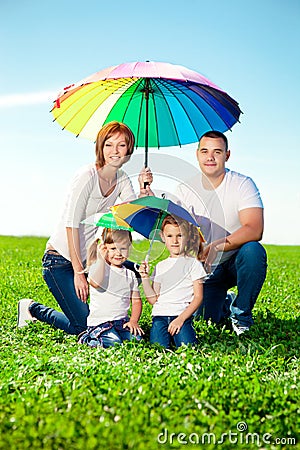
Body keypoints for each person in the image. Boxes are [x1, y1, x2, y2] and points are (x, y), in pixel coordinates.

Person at [17, 121, 153, 334]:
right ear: (100, 147)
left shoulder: (123, 179)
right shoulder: (86, 176)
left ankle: (138, 279)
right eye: (109, 145)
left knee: (134, 272)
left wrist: (145, 192)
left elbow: (131, 217)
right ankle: (33, 309)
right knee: (85, 326)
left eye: (121, 145)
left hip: (92, 260)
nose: (114, 151)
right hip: (60, 260)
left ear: (129, 149)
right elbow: (72, 225)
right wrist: (79, 272)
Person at [176, 130, 267, 335]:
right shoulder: (184, 189)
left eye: (217, 152)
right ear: (197, 154)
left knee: (254, 251)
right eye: (205, 151)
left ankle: (241, 314)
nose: (210, 157)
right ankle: (227, 303)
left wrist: (216, 245)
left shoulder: (242, 184)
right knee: (207, 319)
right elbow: (173, 234)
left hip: (236, 260)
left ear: (227, 155)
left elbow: (254, 228)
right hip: (206, 269)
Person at [139, 215, 206, 348]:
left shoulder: (193, 264)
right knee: (159, 348)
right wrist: (145, 278)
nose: (174, 241)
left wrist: (180, 319)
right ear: (163, 237)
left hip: (181, 316)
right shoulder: (160, 266)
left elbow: (198, 297)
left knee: (188, 348)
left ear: (187, 237)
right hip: (160, 317)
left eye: (179, 236)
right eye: (169, 236)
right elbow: (153, 299)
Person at [78, 228, 144, 348]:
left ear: (129, 249)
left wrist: (133, 321)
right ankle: (87, 339)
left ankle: (115, 336)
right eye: (113, 248)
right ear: (105, 249)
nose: (118, 253)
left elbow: (136, 301)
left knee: (137, 340)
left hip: (122, 322)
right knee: (114, 342)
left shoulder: (130, 274)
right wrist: (101, 259)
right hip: (100, 323)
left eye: (123, 248)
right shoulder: (98, 268)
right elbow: (96, 283)